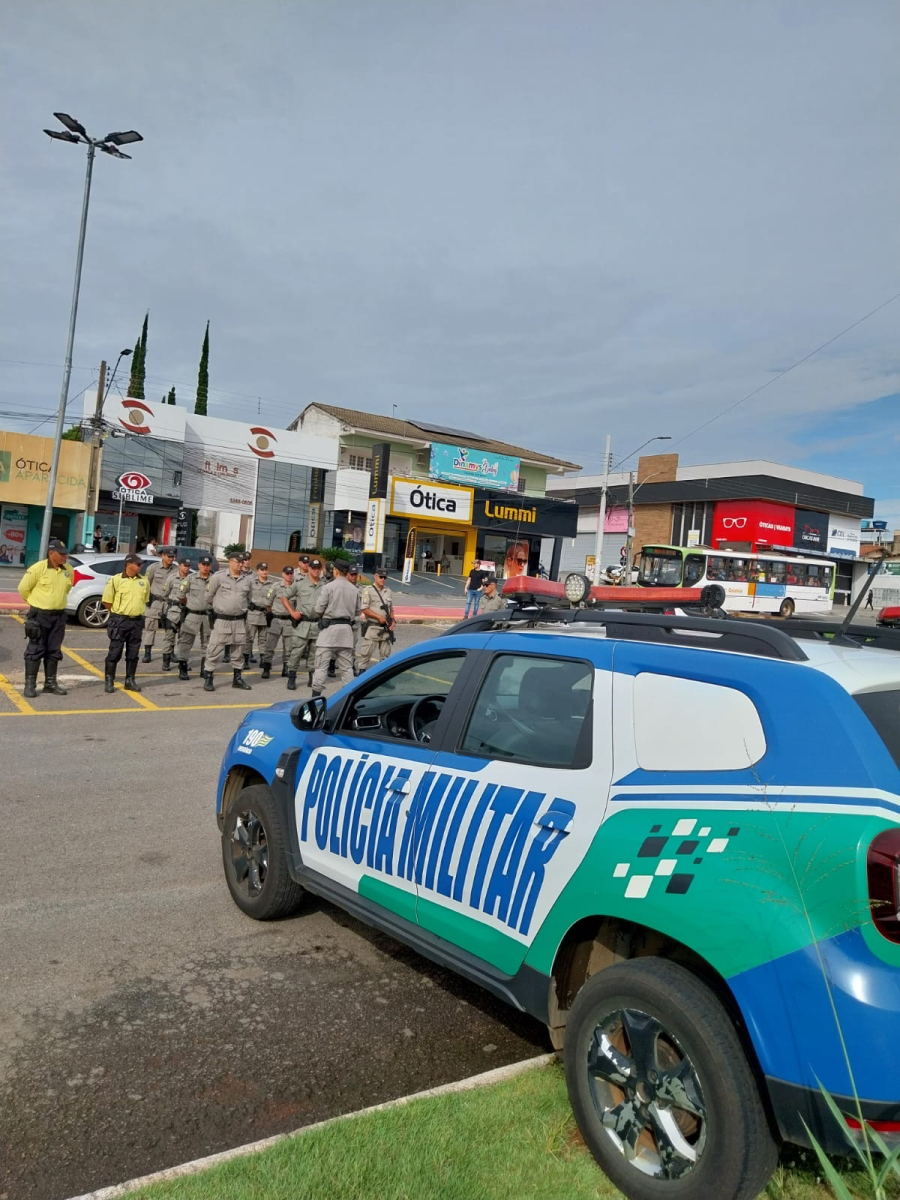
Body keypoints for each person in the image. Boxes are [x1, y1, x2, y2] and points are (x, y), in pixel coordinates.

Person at [18, 538, 74, 698]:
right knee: (35, 649)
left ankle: (50, 683)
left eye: (66, 554)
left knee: (54, 650)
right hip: (39, 616)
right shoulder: (38, 568)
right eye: (61, 554)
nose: (65, 557)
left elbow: (67, 588)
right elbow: (23, 589)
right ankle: (30, 685)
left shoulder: (68, 570)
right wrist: (36, 604)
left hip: (59, 616)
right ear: (51, 553)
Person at [203, 551, 253, 691]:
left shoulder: (247, 580)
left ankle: (237, 678)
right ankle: (209, 678)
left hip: (239, 621)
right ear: (230, 561)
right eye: (238, 561)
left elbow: (248, 598)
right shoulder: (218, 577)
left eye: (242, 562)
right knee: (214, 649)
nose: (241, 564)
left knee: (238, 651)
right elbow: (208, 597)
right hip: (222, 620)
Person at [101, 553, 151, 692]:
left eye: (141, 564)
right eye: (138, 564)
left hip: (136, 621)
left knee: (133, 654)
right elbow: (106, 601)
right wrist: (117, 614)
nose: (141, 566)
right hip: (119, 620)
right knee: (115, 652)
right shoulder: (116, 580)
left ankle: (130, 680)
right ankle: (109, 680)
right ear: (128, 564)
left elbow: (145, 600)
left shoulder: (144, 581)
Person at [312, 558, 360, 696]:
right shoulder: (354, 589)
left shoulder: (328, 587)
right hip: (346, 631)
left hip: (329, 630)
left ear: (336, 570)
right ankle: (350, 698)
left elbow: (318, 609)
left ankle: (315, 697)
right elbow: (357, 611)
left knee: (321, 667)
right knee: (347, 669)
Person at [283, 557, 325, 690]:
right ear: (309, 569)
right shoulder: (300, 584)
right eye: (314, 568)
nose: (316, 571)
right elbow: (284, 597)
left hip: (317, 625)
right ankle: (292, 677)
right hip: (303, 624)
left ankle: (312, 678)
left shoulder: (324, 586)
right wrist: (292, 612)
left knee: (315, 652)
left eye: (319, 568)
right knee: (297, 651)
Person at [174, 554, 213, 680]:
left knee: (207, 643)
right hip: (192, 615)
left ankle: (204, 669)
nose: (206, 567)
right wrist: (188, 604)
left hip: (208, 616)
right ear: (199, 565)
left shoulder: (214, 579)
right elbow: (180, 594)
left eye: (208, 565)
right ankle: (183, 668)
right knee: (186, 642)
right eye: (203, 565)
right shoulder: (190, 578)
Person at [141, 547, 177, 663]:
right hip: (155, 602)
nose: (171, 559)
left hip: (169, 604)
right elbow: (146, 585)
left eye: (173, 557)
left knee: (171, 629)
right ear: (162, 556)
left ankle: (170, 652)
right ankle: (147, 653)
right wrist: (146, 600)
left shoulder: (176, 570)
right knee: (150, 628)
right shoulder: (153, 568)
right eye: (169, 556)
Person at [357, 567, 395, 671]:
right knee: (366, 653)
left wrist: (393, 621)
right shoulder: (367, 590)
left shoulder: (388, 591)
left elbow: (391, 609)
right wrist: (378, 617)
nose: (382, 579)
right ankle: (362, 673)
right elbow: (364, 609)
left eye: (384, 577)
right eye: (381, 577)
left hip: (385, 628)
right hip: (373, 627)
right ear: (375, 576)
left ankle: (383, 675)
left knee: (385, 654)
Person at [160, 557, 192, 670]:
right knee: (169, 638)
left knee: (184, 639)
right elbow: (164, 594)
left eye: (188, 566)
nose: (187, 568)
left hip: (187, 612)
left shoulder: (192, 579)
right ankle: (166, 662)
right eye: (185, 566)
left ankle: (183, 663)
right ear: (179, 566)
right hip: (173, 612)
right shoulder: (172, 578)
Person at [264, 565, 295, 679]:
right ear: (282, 574)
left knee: (288, 648)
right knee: (270, 646)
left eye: (291, 573)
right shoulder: (276, 587)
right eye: (287, 573)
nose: (289, 575)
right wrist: (273, 614)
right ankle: (266, 668)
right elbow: (268, 603)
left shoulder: (296, 587)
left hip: (289, 621)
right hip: (276, 620)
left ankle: (286, 668)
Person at [244, 562, 272, 668]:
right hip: (253, 614)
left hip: (265, 615)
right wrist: (247, 606)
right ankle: (246, 659)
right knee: (249, 638)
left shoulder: (271, 584)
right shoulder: (251, 582)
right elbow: (244, 595)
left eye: (266, 569)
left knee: (263, 639)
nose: (264, 571)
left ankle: (263, 659)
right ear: (258, 571)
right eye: (262, 569)